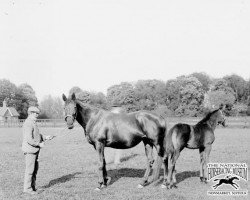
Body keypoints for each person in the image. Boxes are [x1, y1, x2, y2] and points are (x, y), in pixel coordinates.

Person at [22, 106, 54, 195]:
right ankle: (27, 189)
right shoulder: (28, 123)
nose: (37, 115)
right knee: (30, 170)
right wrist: (39, 144)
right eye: (35, 113)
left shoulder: (33, 123)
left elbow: (36, 135)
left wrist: (45, 137)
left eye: (37, 113)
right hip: (30, 151)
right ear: (30, 113)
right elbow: (29, 139)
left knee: (34, 170)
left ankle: (32, 188)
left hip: (34, 150)